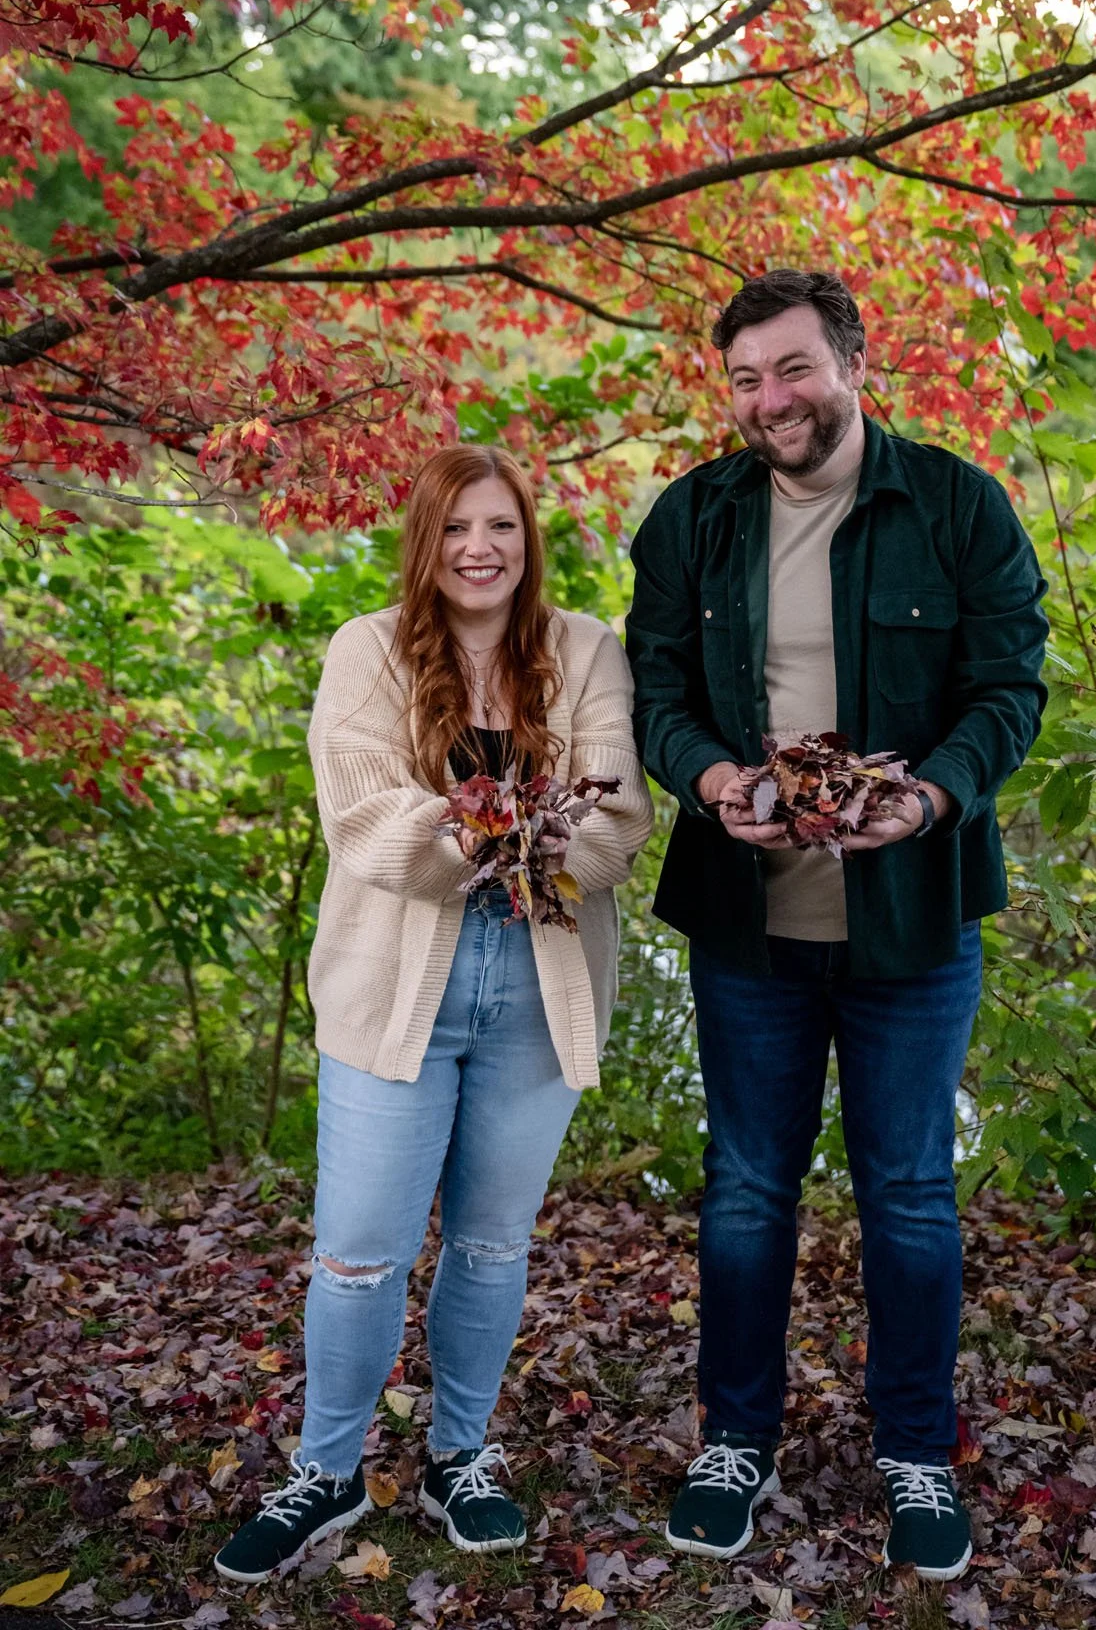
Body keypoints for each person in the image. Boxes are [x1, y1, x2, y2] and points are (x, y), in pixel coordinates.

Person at [626, 269, 1048, 1581]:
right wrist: (711, 782)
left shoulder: (959, 506)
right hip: (747, 928)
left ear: (853, 361)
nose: (770, 401)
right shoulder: (693, 517)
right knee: (747, 1193)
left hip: (912, 927)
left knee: (911, 1200)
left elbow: (1009, 687)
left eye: (793, 370)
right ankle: (735, 1438)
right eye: (746, 379)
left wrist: (929, 795)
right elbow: (651, 689)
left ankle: (916, 1451)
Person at [214, 445, 653, 1583]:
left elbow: (616, 826)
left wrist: (500, 834)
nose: (479, 548)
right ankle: (326, 1470)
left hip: (537, 992)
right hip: (392, 991)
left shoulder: (585, 650)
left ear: (527, 539)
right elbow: (365, 822)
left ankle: (462, 1453)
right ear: (426, 539)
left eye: (501, 526)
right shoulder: (366, 651)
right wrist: (512, 831)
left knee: (492, 1242)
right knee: (359, 1255)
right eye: (457, 527)